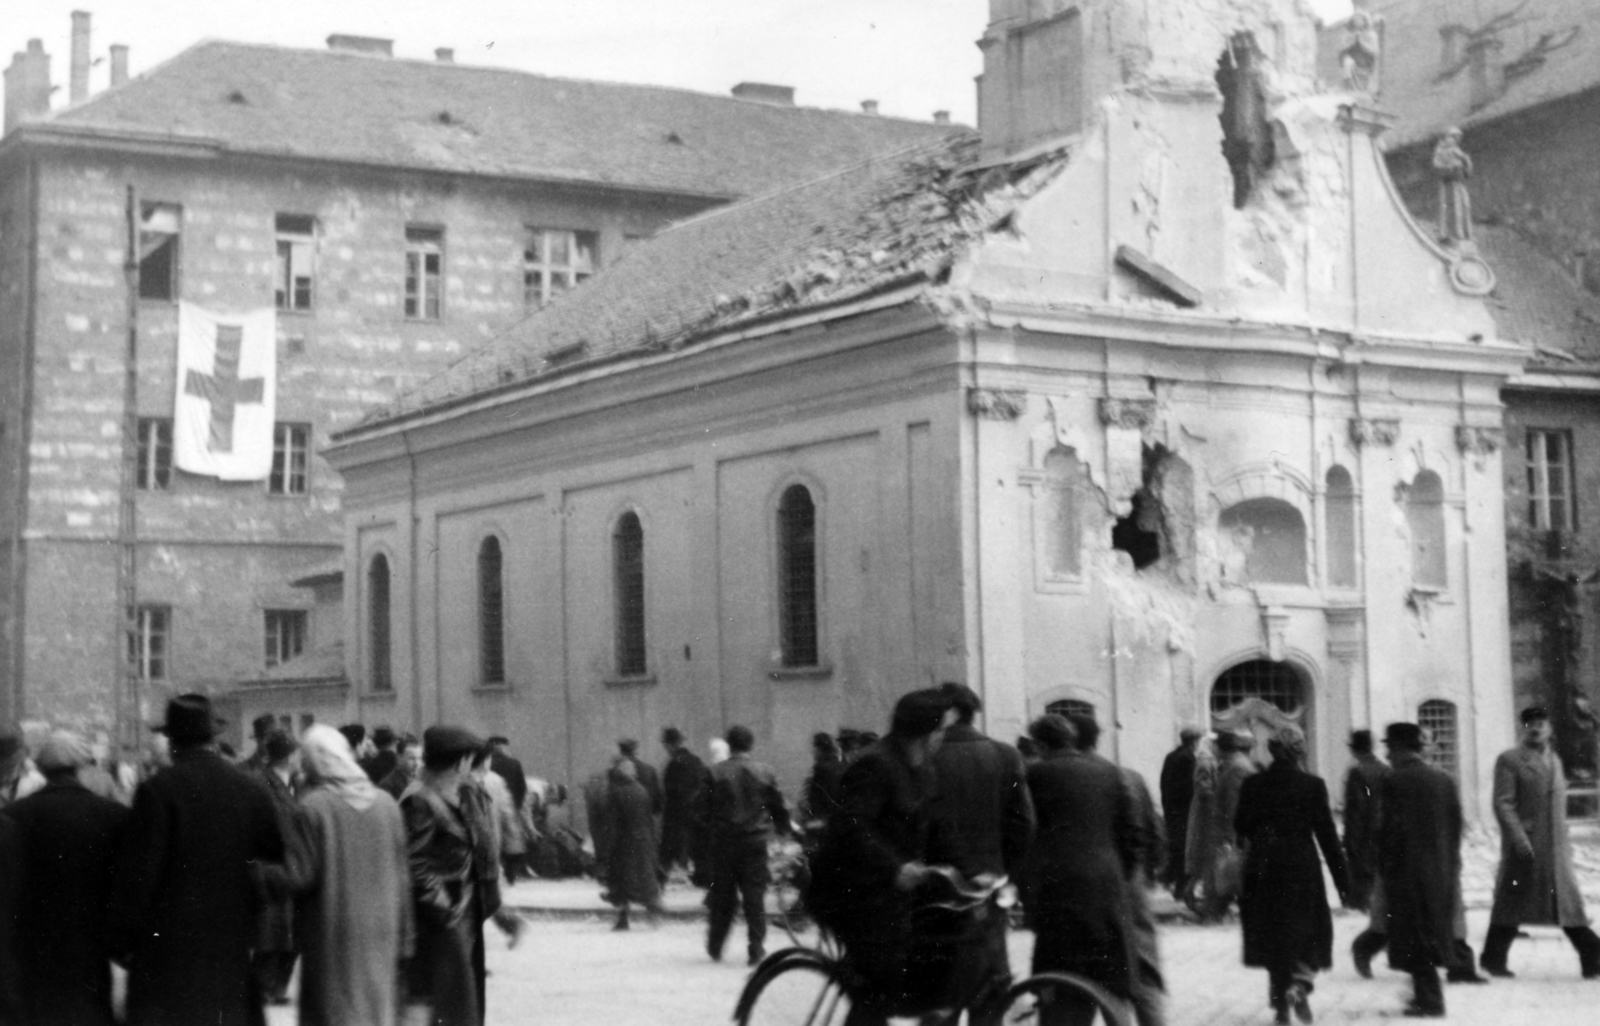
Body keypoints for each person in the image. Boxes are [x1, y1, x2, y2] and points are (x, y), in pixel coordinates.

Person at [108, 694, 285, 1026]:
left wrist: (122, 942)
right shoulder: (250, 790)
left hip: (167, 958)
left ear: (172, 742)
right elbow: (273, 865)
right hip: (230, 952)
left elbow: (139, 878)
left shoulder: (158, 791)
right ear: (213, 738)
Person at [804, 689, 952, 1026]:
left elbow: (937, 827)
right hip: (850, 894)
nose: (944, 736)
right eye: (942, 729)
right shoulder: (875, 764)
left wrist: (970, 873)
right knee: (881, 984)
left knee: (931, 965)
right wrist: (894, 867)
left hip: (891, 894)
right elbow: (851, 827)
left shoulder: (924, 769)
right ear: (925, 733)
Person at [279, 724, 412, 1026]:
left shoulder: (314, 807)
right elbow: (403, 879)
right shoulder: (386, 805)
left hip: (333, 931)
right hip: (382, 931)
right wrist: (406, 940)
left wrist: (261, 873)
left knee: (335, 1011)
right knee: (374, 1010)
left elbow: (299, 877)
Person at [2, 730, 129, 1026]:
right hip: (91, 944)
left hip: (35, 945)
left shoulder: (15, 815)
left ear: (43, 768)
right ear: (81, 767)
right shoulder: (114, 815)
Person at [928, 683, 1035, 1026]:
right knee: (988, 984)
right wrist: (1005, 873)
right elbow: (1024, 825)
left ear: (948, 712)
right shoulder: (1006, 755)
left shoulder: (927, 755)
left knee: (941, 985)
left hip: (937, 887)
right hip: (990, 886)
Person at [1023, 713, 1136, 1026]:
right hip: (1106, 887)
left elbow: (1024, 832)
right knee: (1109, 975)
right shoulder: (1109, 771)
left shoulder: (1036, 774)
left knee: (1059, 978)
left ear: (1040, 744)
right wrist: (1118, 875)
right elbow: (1131, 832)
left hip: (1057, 888)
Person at [1235, 726, 1349, 1026]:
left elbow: (1241, 825)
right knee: (1307, 932)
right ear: (1300, 751)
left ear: (1272, 750)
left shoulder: (1253, 784)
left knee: (1274, 935)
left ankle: (1282, 1008)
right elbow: (1327, 837)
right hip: (1301, 868)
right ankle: (1300, 984)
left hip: (1263, 867)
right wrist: (1344, 883)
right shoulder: (1312, 785)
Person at [1480, 706, 1600, 979]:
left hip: (1555, 847)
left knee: (1565, 903)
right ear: (1522, 728)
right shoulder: (1510, 760)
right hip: (1527, 846)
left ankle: (1493, 957)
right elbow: (1503, 803)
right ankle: (1493, 958)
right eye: (1530, 724)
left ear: (1550, 728)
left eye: (1542, 723)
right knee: (1513, 902)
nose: (1536, 728)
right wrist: (1519, 839)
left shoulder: (1554, 759)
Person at [1072, 714, 1166, 1026]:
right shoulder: (1129, 776)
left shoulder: (1071, 778)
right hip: (1132, 881)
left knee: (1096, 969)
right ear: (1097, 738)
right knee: (1145, 968)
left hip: (1093, 886)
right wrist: (1146, 874)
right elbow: (1153, 831)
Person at [403, 725, 491, 1026]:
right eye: (471, 759)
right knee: (432, 1003)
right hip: (436, 925)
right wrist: (447, 910)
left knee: (448, 1006)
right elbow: (414, 866)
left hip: (453, 921)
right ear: (461, 762)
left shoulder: (446, 795)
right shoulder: (420, 800)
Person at [1375, 722, 1461, 1018]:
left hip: (1406, 871)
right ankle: (1424, 995)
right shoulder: (1444, 779)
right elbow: (1456, 827)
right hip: (1440, 870)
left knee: (1413, 934)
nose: (1387, 754)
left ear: (1400, 748)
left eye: (1389, 748)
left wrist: (1384, 865)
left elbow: (1388, 829)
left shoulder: (1394, 781)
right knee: (1431, 931)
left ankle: (1431, 1000)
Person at [705, 724, 791, 963]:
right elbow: (779, 806)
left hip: (724, 842)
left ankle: (716, 945)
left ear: (729, 745)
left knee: (723, 895)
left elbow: (700, 808)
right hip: (755, 842)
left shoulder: (714, 772)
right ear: (750, 746)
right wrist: (783, 831)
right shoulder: (765, 771)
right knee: (755, 895)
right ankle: (756, 947)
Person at [252, 730, 301, 1006]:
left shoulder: (294, 782)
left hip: (292, 866)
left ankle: (278, 987)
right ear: (289, 755)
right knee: (270, 933)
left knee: (289, 934)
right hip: (271, 867)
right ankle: (264, 987)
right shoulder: (262, 783)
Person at [604, 757, 664, 930]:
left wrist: (609, 845)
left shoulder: (616, 792)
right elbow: (648, 818)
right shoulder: (641, 790)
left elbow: (613, 823)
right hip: (643, 840)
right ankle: (653, 909)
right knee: (644, 878)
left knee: (622, 880)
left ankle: (623, 918)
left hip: (624, 842)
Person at [1342, 729, 1388, 913]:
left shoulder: (1358, 772)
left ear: (1354, 749)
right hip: (1382, 831)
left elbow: (1357, 809)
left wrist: (1350, 839)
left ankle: (1361, 908)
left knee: (1361, 879)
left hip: (1363, 835)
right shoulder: (1385, 770)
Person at [1158, 727, 1200, 898]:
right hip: (1184, 812)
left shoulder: (1171, 756)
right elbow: (1189, 788)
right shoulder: (1188, 759)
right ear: (1193, 741)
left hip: (1171, 810)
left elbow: (1163, 783)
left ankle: (1173, 883)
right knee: (1184, 850)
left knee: (1177, 848)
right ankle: (1180, 888)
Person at [659, 726, 706, 874]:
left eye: (665, 745)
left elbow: (671, 794)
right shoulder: (696, 760)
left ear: (670, 744)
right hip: (697, 815)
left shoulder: (674, 763)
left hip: (677, 817)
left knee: (673, 850)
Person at [486, 736, 529, 881]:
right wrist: (516, 805)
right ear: (503, 747)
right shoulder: (513, 763)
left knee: (491, 839)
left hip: (488, 807)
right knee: (510, 839)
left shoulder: (486, 763)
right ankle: (510, 873)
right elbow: (522, 788)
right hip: (509, 806)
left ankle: (493, 872)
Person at [800, 731, 846, 830]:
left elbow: (820, 799)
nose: (812, 752)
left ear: (819, 749)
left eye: (814, 748)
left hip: (822, 823)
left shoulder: (822, 770)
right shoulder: (839, 765)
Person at [380, 735, 423, 800]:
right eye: (411, 758)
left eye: (419, 758)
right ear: (399, 758)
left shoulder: (421, 780)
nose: (417, 763)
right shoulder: (388, 785)